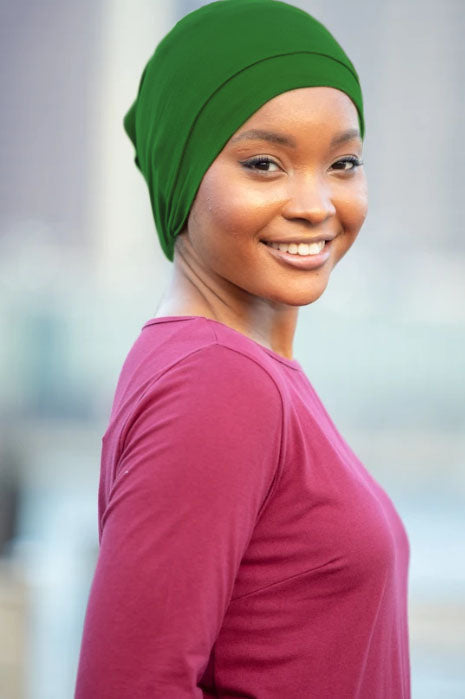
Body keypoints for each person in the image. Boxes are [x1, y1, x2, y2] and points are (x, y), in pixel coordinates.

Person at [75, 1, 411, 697]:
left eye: (342, 162)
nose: (316, 202)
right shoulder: (218, 382)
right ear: (182, 174)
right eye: (264, 163)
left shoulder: (235, 370)